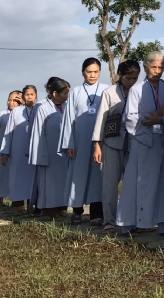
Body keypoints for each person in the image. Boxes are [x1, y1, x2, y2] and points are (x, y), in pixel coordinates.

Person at [117, 52, 164, 236]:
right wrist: (151, 119)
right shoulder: (137, 89)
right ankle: (131, 223)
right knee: (138, 183)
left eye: (160, 68)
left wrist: (161, 119)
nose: (157, 71)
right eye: (153, 67)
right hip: (143, 142)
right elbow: (130, 118)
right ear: (146, 67)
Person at [92, 60, 140, 232]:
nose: (132, 81)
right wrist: (97, 145)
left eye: (135, 78)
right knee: (110, 183)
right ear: (120, 75)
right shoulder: (109, 92)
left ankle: (132, 219)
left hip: (134, 142)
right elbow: (101, 118)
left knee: (133, 183)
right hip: (112, 142)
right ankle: (109, 220)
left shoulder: (140, 91)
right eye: (128, 78)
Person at [60, 57, 109, 226]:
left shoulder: (106, 90)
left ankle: (96, 213)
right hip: (79, 140)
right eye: (89, 72)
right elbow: (68, 119)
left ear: (100, 72)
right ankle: (77, 211)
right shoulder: (76, 92)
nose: (92, 75)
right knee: (78, 175)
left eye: (96, 72)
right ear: (83, 72)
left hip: (100, 142)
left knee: (97, 176)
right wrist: (69, 143)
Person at [30, 77, 71, 219]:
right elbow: (37, 133)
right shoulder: (43, 108)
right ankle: (49, 210)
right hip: (49, 152)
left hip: (64, 153)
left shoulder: (67, 107)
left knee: (63, 181)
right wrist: (39, 154)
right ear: (54, 93)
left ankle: (62, 208)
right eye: (65, 93)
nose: (67, 96)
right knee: (49, 183)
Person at [1, 85, 38, 215]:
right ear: (23, 97)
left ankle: (32, 204)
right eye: (27, 95)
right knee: (17, 178)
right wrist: (5, 151)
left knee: (33, 179)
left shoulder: (39, 109)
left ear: (36, 96)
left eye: (32, 95)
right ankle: (18, 205)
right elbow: (9, 131)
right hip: (17, 151)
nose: (30, 97)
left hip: (34, 150)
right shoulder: (16, 111)